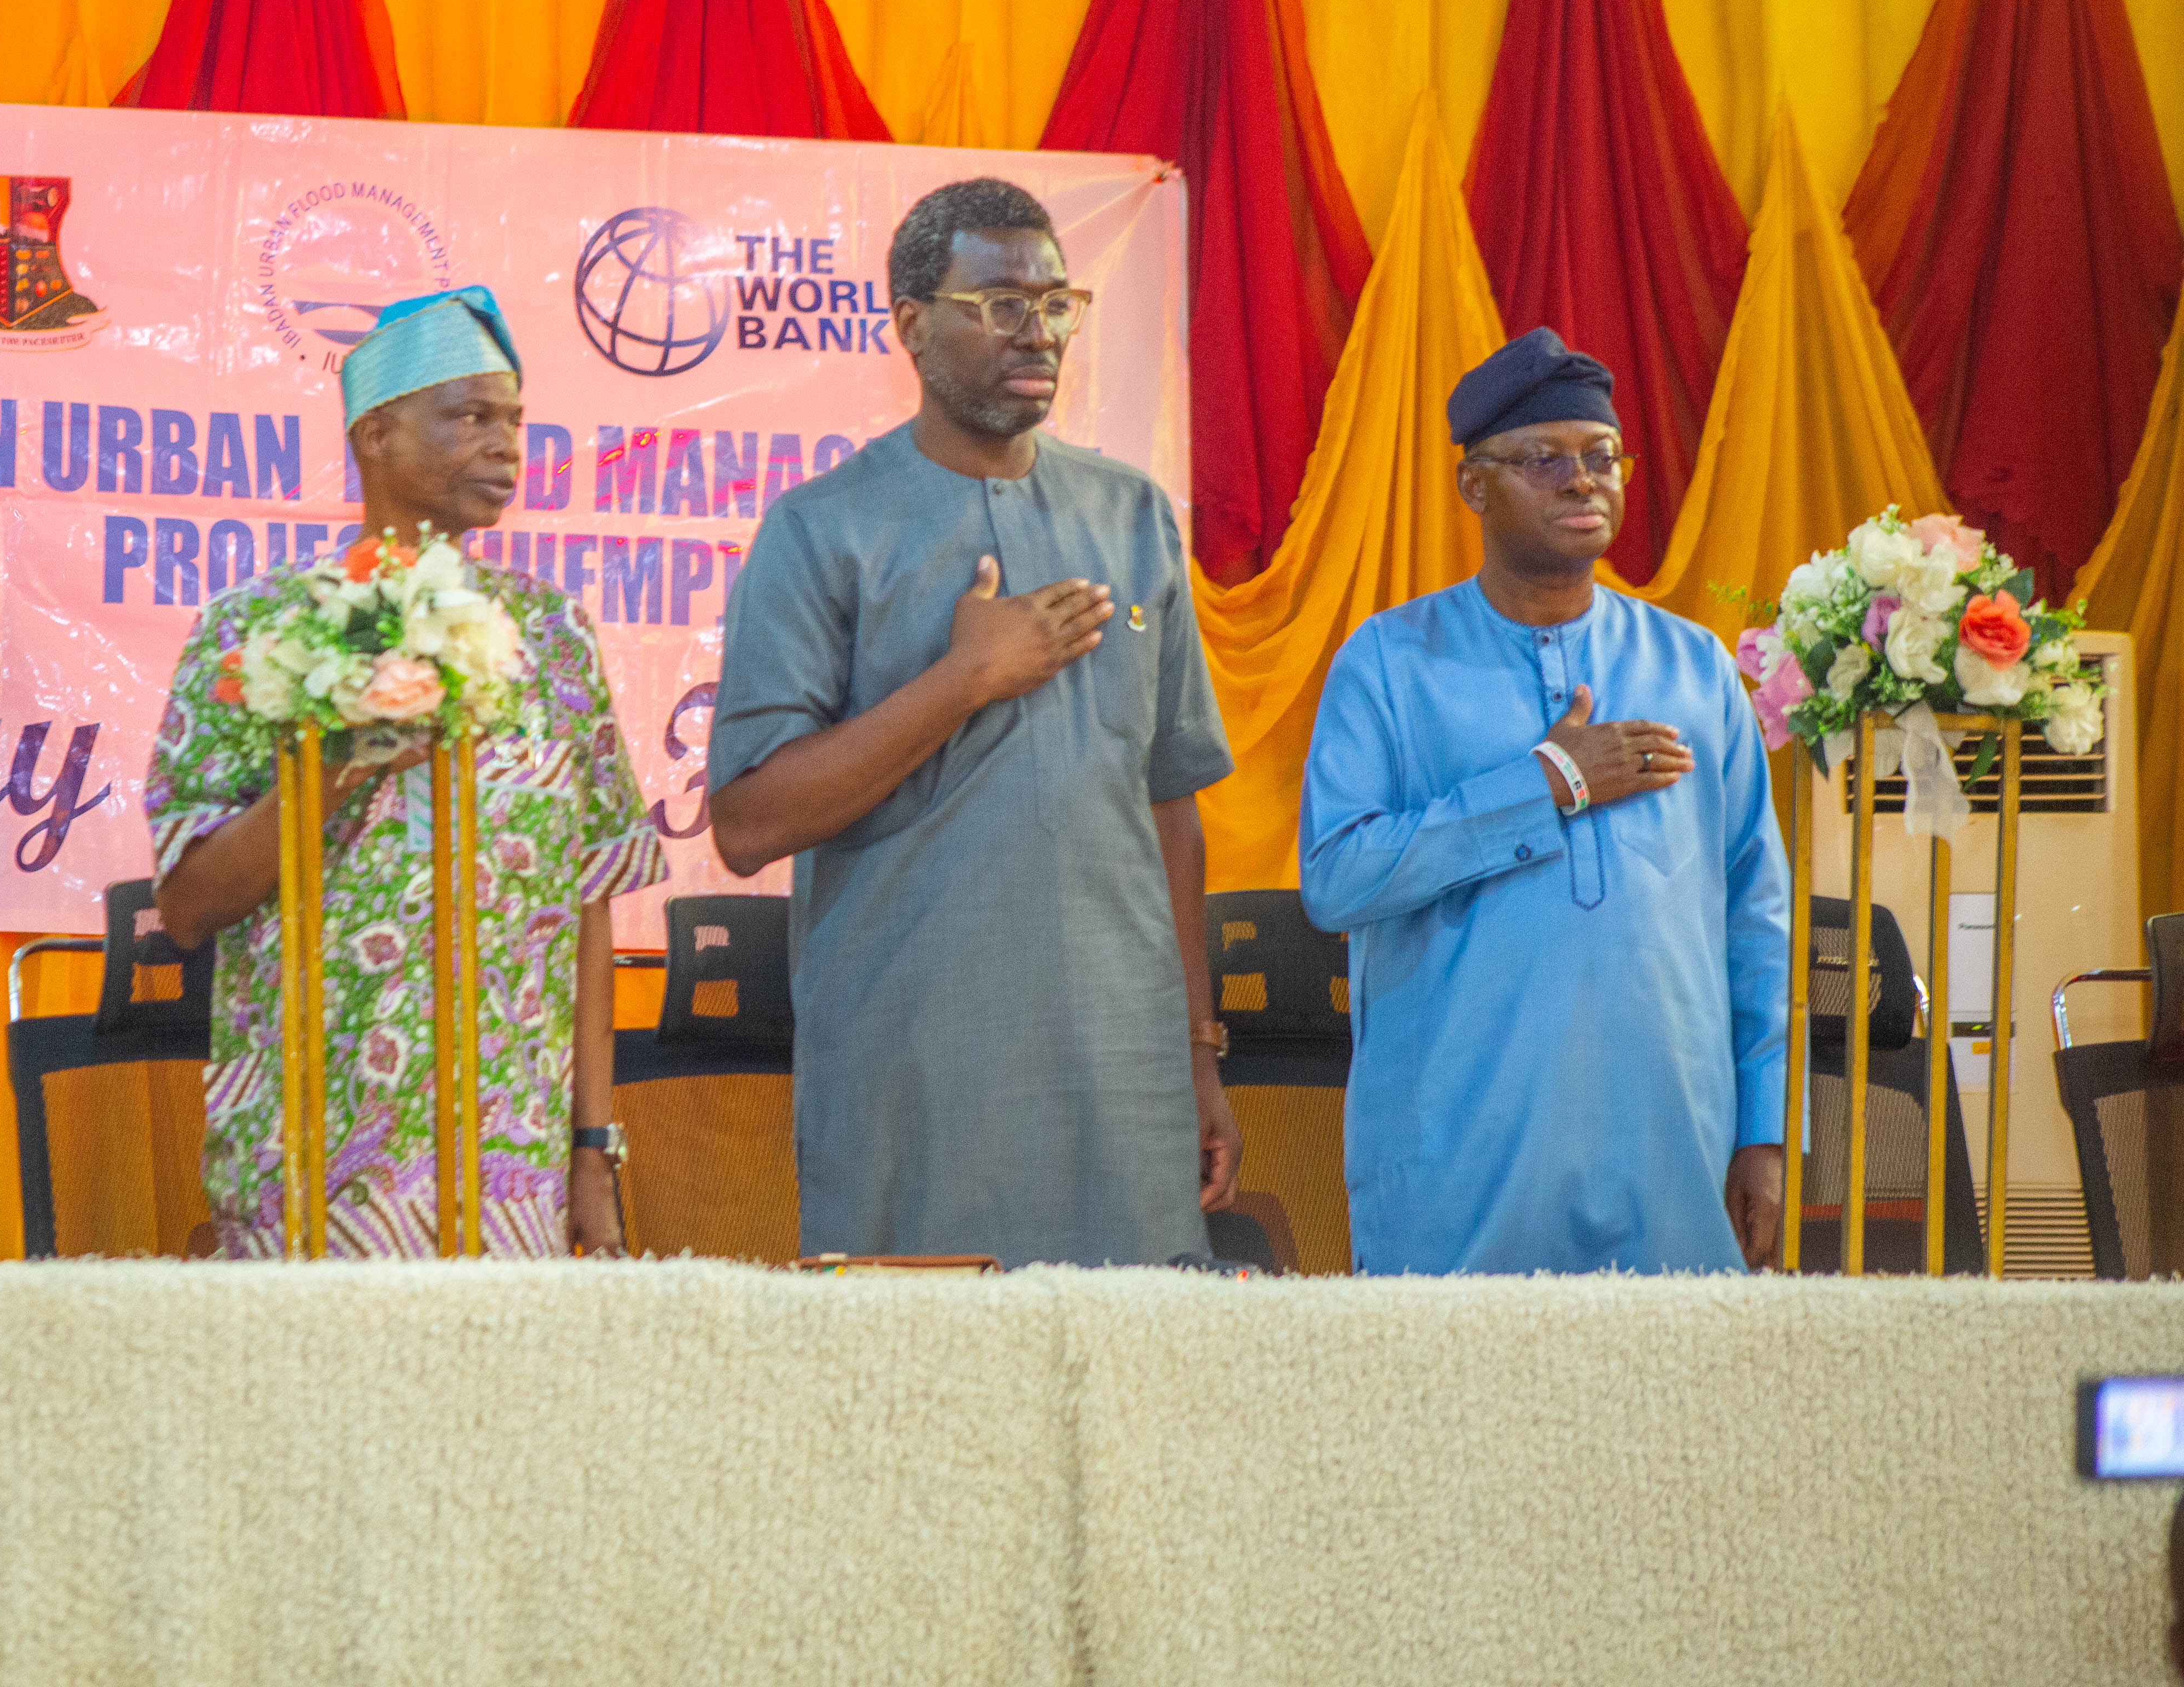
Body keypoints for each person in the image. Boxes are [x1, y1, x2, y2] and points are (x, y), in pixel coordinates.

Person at [707, 177, 1240, 1270]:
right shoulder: (824, 529)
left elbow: (1171, 805)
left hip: (1125, 1071)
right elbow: (750, 822)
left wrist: (1196, 1053)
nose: (1037, 332)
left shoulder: (1131, 514)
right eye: (998, 305)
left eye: (1056, 303)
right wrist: (964, 681)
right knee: (925, 1404)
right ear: (910, 325)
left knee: (1134, 1400)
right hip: (918, 1072)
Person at [146, 287, 666, 1258]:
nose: (508, 445)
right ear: (375, 435)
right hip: (309, 1159)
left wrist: (593, 1152)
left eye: (515, 419)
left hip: (511, 1171)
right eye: (471, 417)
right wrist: (338, 760)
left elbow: (589, 903)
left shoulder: (551, 637)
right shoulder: (257, 632)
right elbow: (186, 909)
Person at [1298, 326, 1789, 1274]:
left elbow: (1755, 914)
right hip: (1461, 1153)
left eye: (1602, 456)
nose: (1582, 481)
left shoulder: (1693, 665)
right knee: (1458, 1409)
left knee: (1674, 1409)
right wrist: (1546, 785)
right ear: (1474, 485)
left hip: (1671, 1152)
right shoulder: (1391, 664)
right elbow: (1337, 880)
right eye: (1545, 459)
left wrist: (1763, 1129)